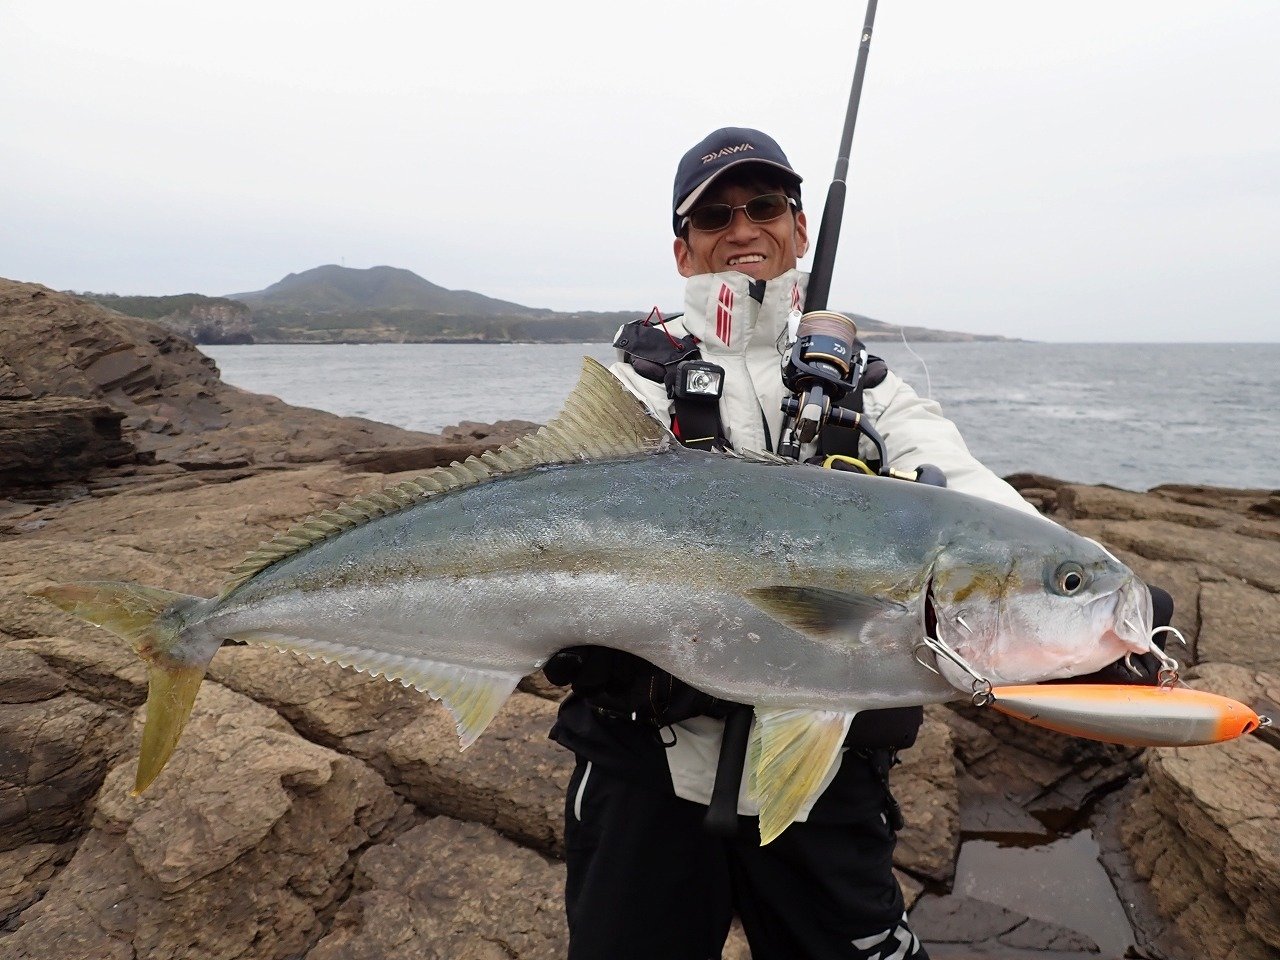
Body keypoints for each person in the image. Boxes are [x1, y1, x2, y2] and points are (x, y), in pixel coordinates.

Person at [545, 126, 1168, 960]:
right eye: (714, 216)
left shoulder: (871, 391)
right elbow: (551, 500)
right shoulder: (640, 383)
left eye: (765, 206)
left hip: (830, 780)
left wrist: (1093, 586)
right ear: (683, 251)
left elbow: (971, 491)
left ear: (799, 228)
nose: (743, 229)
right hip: (643, 772)